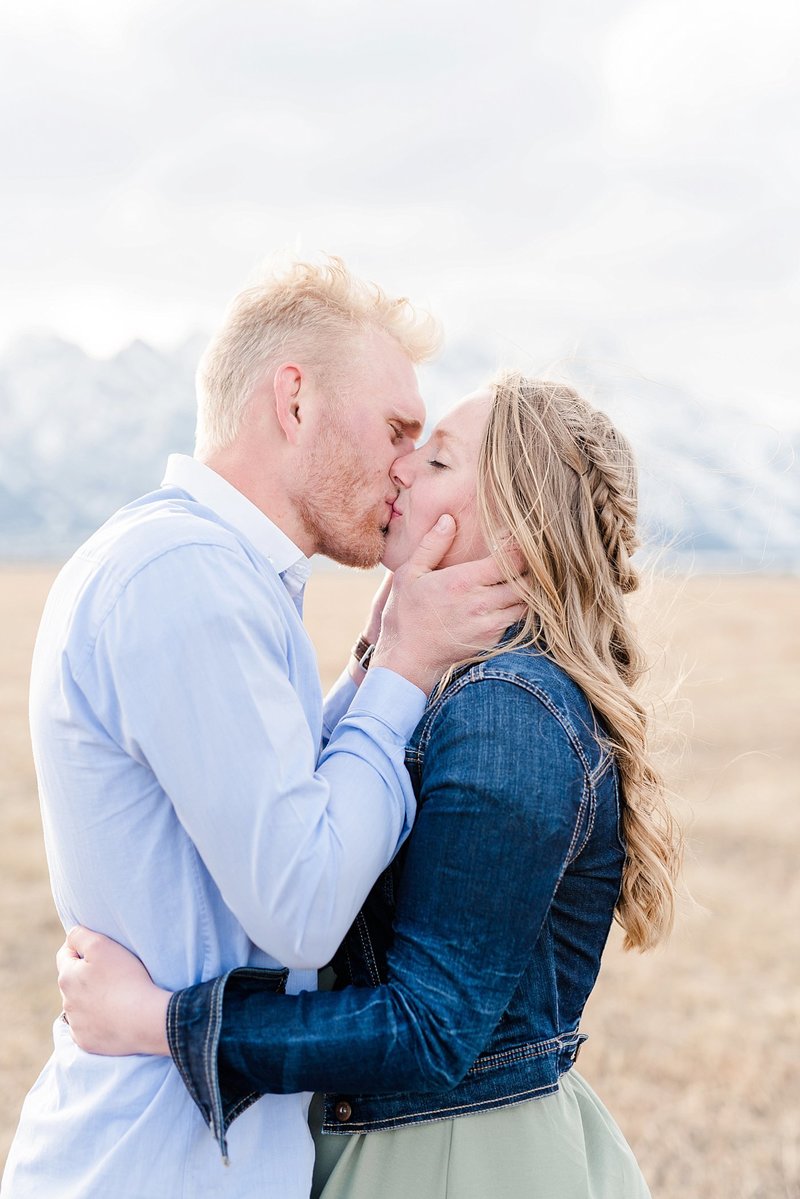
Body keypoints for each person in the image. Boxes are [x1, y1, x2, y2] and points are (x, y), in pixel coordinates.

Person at [59, 373, 683, 1198]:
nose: (401, 469)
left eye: (437, 461)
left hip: (458, 1165)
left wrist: (158, 1021)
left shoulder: (507, 709)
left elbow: (427, 1028)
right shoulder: (469, 688)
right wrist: (380, 659)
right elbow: (309, 823)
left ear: (516, 531)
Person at [1, 259, 525, 1199]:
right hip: (152, 1167)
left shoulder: (202, 569)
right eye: (397, 429)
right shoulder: (187, 577)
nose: (408, 466)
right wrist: (405, 666)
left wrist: (369, 667)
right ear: (294, 400)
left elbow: (272, 807)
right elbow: (304, 904)